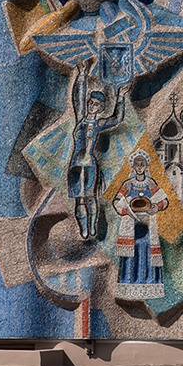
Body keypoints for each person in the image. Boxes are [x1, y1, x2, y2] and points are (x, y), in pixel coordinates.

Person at [68, 59, 127, 239]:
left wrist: (121, 97)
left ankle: (92, 226)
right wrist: (82, 75)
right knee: (80, 199)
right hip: (76, 164)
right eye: (91, 103)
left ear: (100, 108)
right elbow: (78, 98)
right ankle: (83, 229)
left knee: (91, 196)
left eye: (96, 105)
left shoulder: (99, 123)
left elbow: (117, 118)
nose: (92, 106)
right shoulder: (80, 119)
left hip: (90, 164)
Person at [112, 149, 168, 299]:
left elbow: (164, 201)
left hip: (148, 222)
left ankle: (150, 286)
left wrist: (157, 207)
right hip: (131, 222)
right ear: (133, 166)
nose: (139, 167)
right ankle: (128, 286)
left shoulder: (150, 183)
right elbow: (116, 201)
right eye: (137, 164)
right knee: (132, 251)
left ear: (146, 166)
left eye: (142, 164)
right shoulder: (128, 184)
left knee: (147, 250)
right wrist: (126, 210)